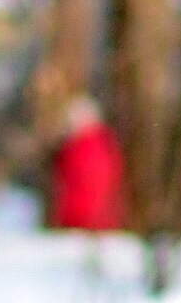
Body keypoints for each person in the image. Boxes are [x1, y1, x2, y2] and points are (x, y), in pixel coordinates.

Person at [46, 95, 127, 231]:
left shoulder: (79, 149)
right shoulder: (106, 144)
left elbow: (78, 184)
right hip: (102, 218)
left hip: (81, 218)